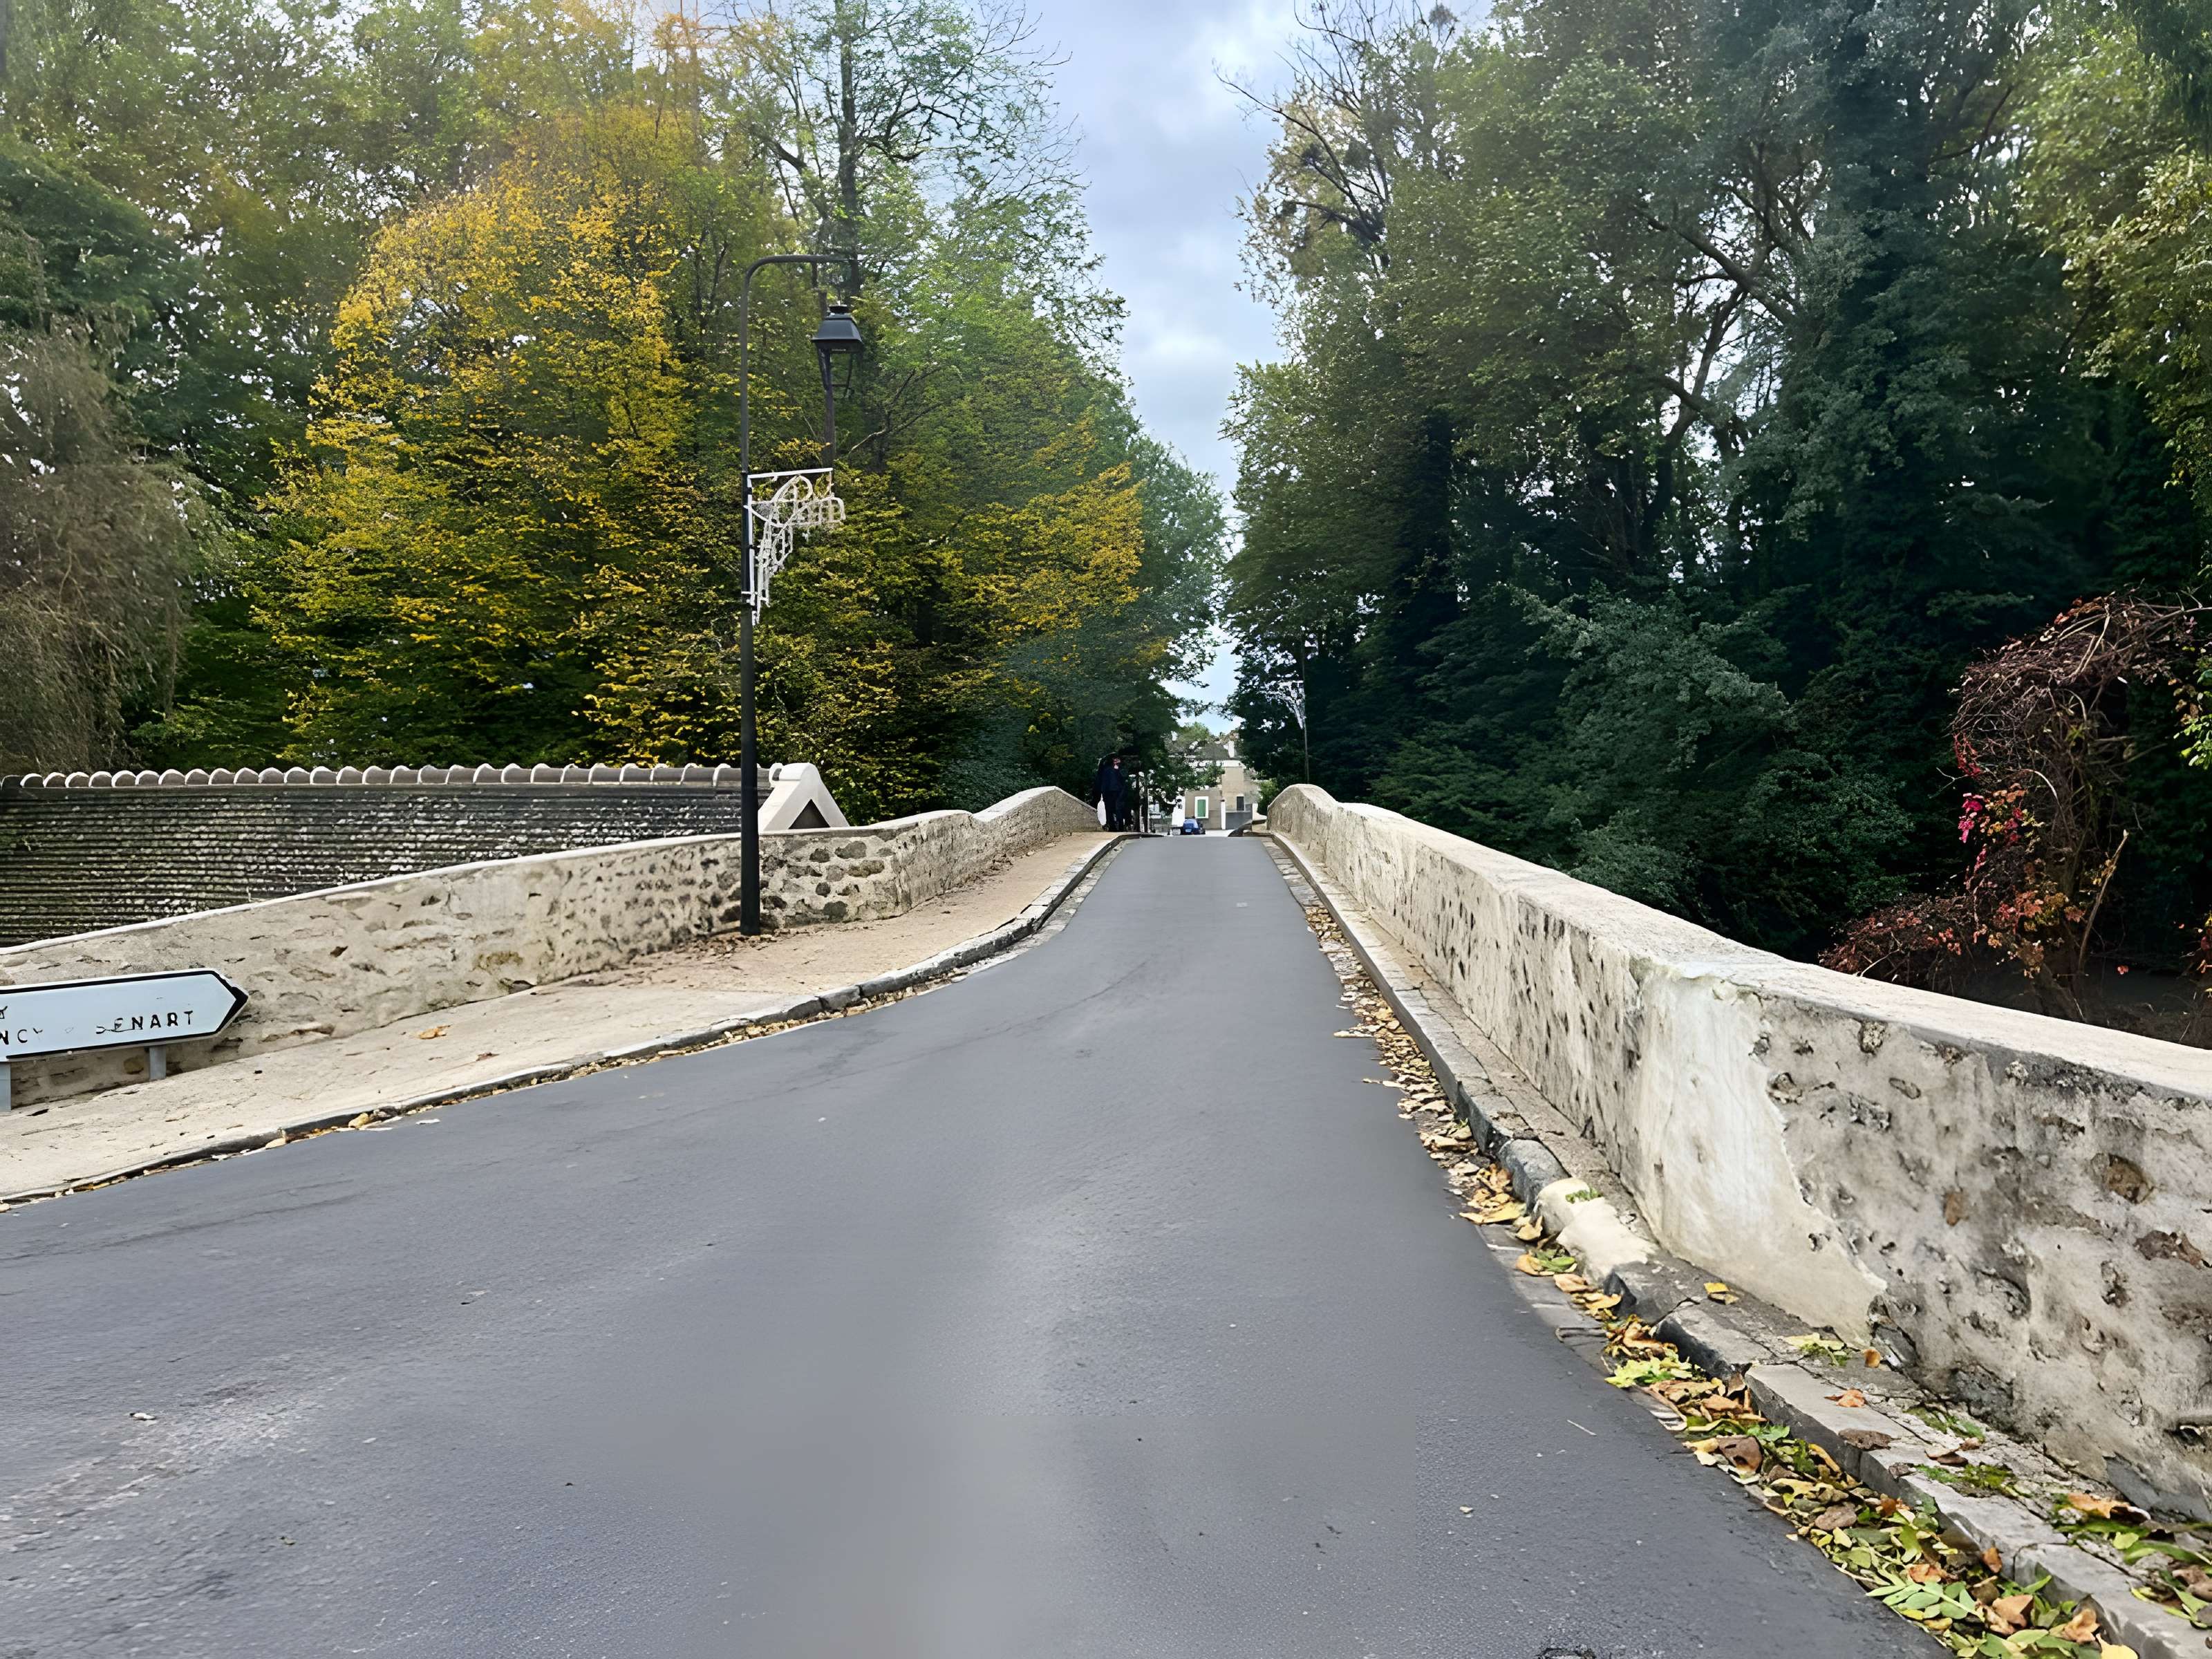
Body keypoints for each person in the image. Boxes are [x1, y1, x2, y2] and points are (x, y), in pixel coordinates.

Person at [1092, 753, 1130, 831]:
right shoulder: (1106, 769)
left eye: (1117, 759)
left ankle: (1121, 827)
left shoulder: (1122, 768)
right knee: (1108, 809)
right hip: (1107, 791)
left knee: (1118, 808)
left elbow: (1125, 777)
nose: (1116, 760)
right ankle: (1112, 826)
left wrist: (1118, 769)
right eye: (1114, 759)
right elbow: (1101, 778)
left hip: (1118, 792)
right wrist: (1102, 790)